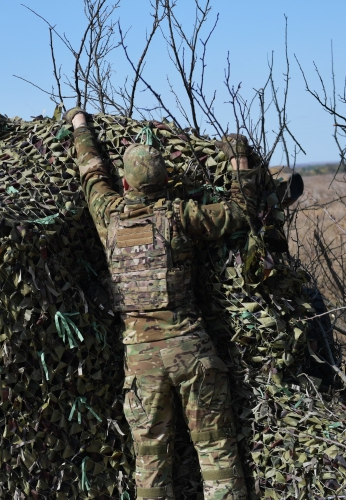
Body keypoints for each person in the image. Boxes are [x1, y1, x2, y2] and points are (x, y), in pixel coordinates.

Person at [67, 107, 254, 499]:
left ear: (125, 183)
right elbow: (239, 214)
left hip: (142, 364)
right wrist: (238, 160)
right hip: (191, 351)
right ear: (166, 181)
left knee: (150, 465)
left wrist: (80, 124)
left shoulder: (109, 216)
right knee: (217, 452)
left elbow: (91, 170)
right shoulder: (180, 215)